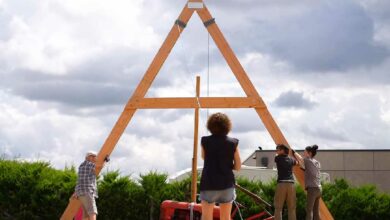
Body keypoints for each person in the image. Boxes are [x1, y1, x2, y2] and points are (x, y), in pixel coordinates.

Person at [199, 112, 241, 220]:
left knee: (207, 217)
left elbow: (203, 157)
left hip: (208, 183)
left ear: (210, 126)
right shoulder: (233, 143)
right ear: (227, 126)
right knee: (225, 217)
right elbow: (238, 166)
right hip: (226, 183)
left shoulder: (205, 141)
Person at [72, 151, 106, 220]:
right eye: (93, 156)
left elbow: (79, 180)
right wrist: (105, 160)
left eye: (95, 157)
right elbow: (100, 167)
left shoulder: (81, 166)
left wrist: (75, 192)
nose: (94, 158)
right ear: (88, 157)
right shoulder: (89, 164)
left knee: (86, 214)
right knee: (93, 212)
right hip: (87, 192)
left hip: (80, 193)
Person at [274, 144, 298, 220]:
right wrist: (294, 154)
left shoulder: (277, 158)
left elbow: (276, 156)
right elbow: (297, 163)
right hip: (291, 184)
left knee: (278, 207)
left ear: (282, 150)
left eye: (278, 149)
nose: (276, 150)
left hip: (282, 184)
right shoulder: (291, 160)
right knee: (292, 208)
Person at [303, 145, 322, 220]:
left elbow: (299, 158)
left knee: (309, 210)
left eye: (304, 152)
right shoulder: (317, 162)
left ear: (309, 153)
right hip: (319, 188)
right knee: (316, 211)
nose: (303, 153)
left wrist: (294, 153)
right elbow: (312, 171)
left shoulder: (307, 160)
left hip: (312, 189)